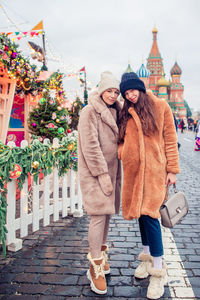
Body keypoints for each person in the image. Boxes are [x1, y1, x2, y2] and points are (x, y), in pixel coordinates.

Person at [118, 72, 180, 299]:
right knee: (141, 217)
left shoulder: (160, 106)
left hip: (155, 173)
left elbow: (170, 139)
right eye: (126, 93)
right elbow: (121, 140)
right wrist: (123, 152)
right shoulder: (127, 112)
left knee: (151, 218)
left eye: (132, 90)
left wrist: (172, 169)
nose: (130, 95)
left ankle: (158, 271)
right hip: (134, 173)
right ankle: (146, 259)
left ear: (140, 88)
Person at [78, 71, 122, 295]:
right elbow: (90, 147)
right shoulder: (89, 111)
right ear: (101, 90)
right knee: (97, 216)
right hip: (96, 174)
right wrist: (103, 176)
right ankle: (94, 265)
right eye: (109, 90)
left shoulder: (117, 111)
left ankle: (101, 254)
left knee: (106, 215)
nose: (113, 95)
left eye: (116, 91)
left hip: (113, 173)